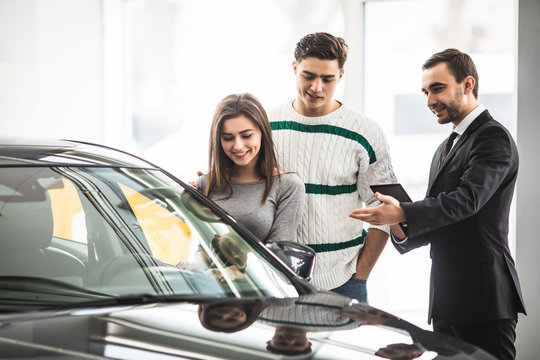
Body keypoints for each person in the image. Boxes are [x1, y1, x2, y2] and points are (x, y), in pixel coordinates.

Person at [349, 48, 526, 360]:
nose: (430, 100)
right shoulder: (445, 148)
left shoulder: (493, 137)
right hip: (445, 301)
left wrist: (403, 210)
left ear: (468, 84)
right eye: (425, 91)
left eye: (437, 88)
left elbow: (466, 201)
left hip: (484, 300)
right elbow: (440, 217)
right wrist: (396, 223)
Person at [268, 32, 396, 302]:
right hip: (277, 279)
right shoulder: (267, 125)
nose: (317, 87)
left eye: (327, 79)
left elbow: (382, 209)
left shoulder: (365, 132)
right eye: (308, 76)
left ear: (341, 75)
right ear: (294, 69)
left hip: (344, 281)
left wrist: (360, 275)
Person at [195, 92, 305, 245]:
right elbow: (201, 249)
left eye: (246, 135)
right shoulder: (205, 184)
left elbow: (278, 256)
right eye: (228, 138)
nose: (238, 146)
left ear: (262, 132)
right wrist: (185, 200)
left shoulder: (288, 187)